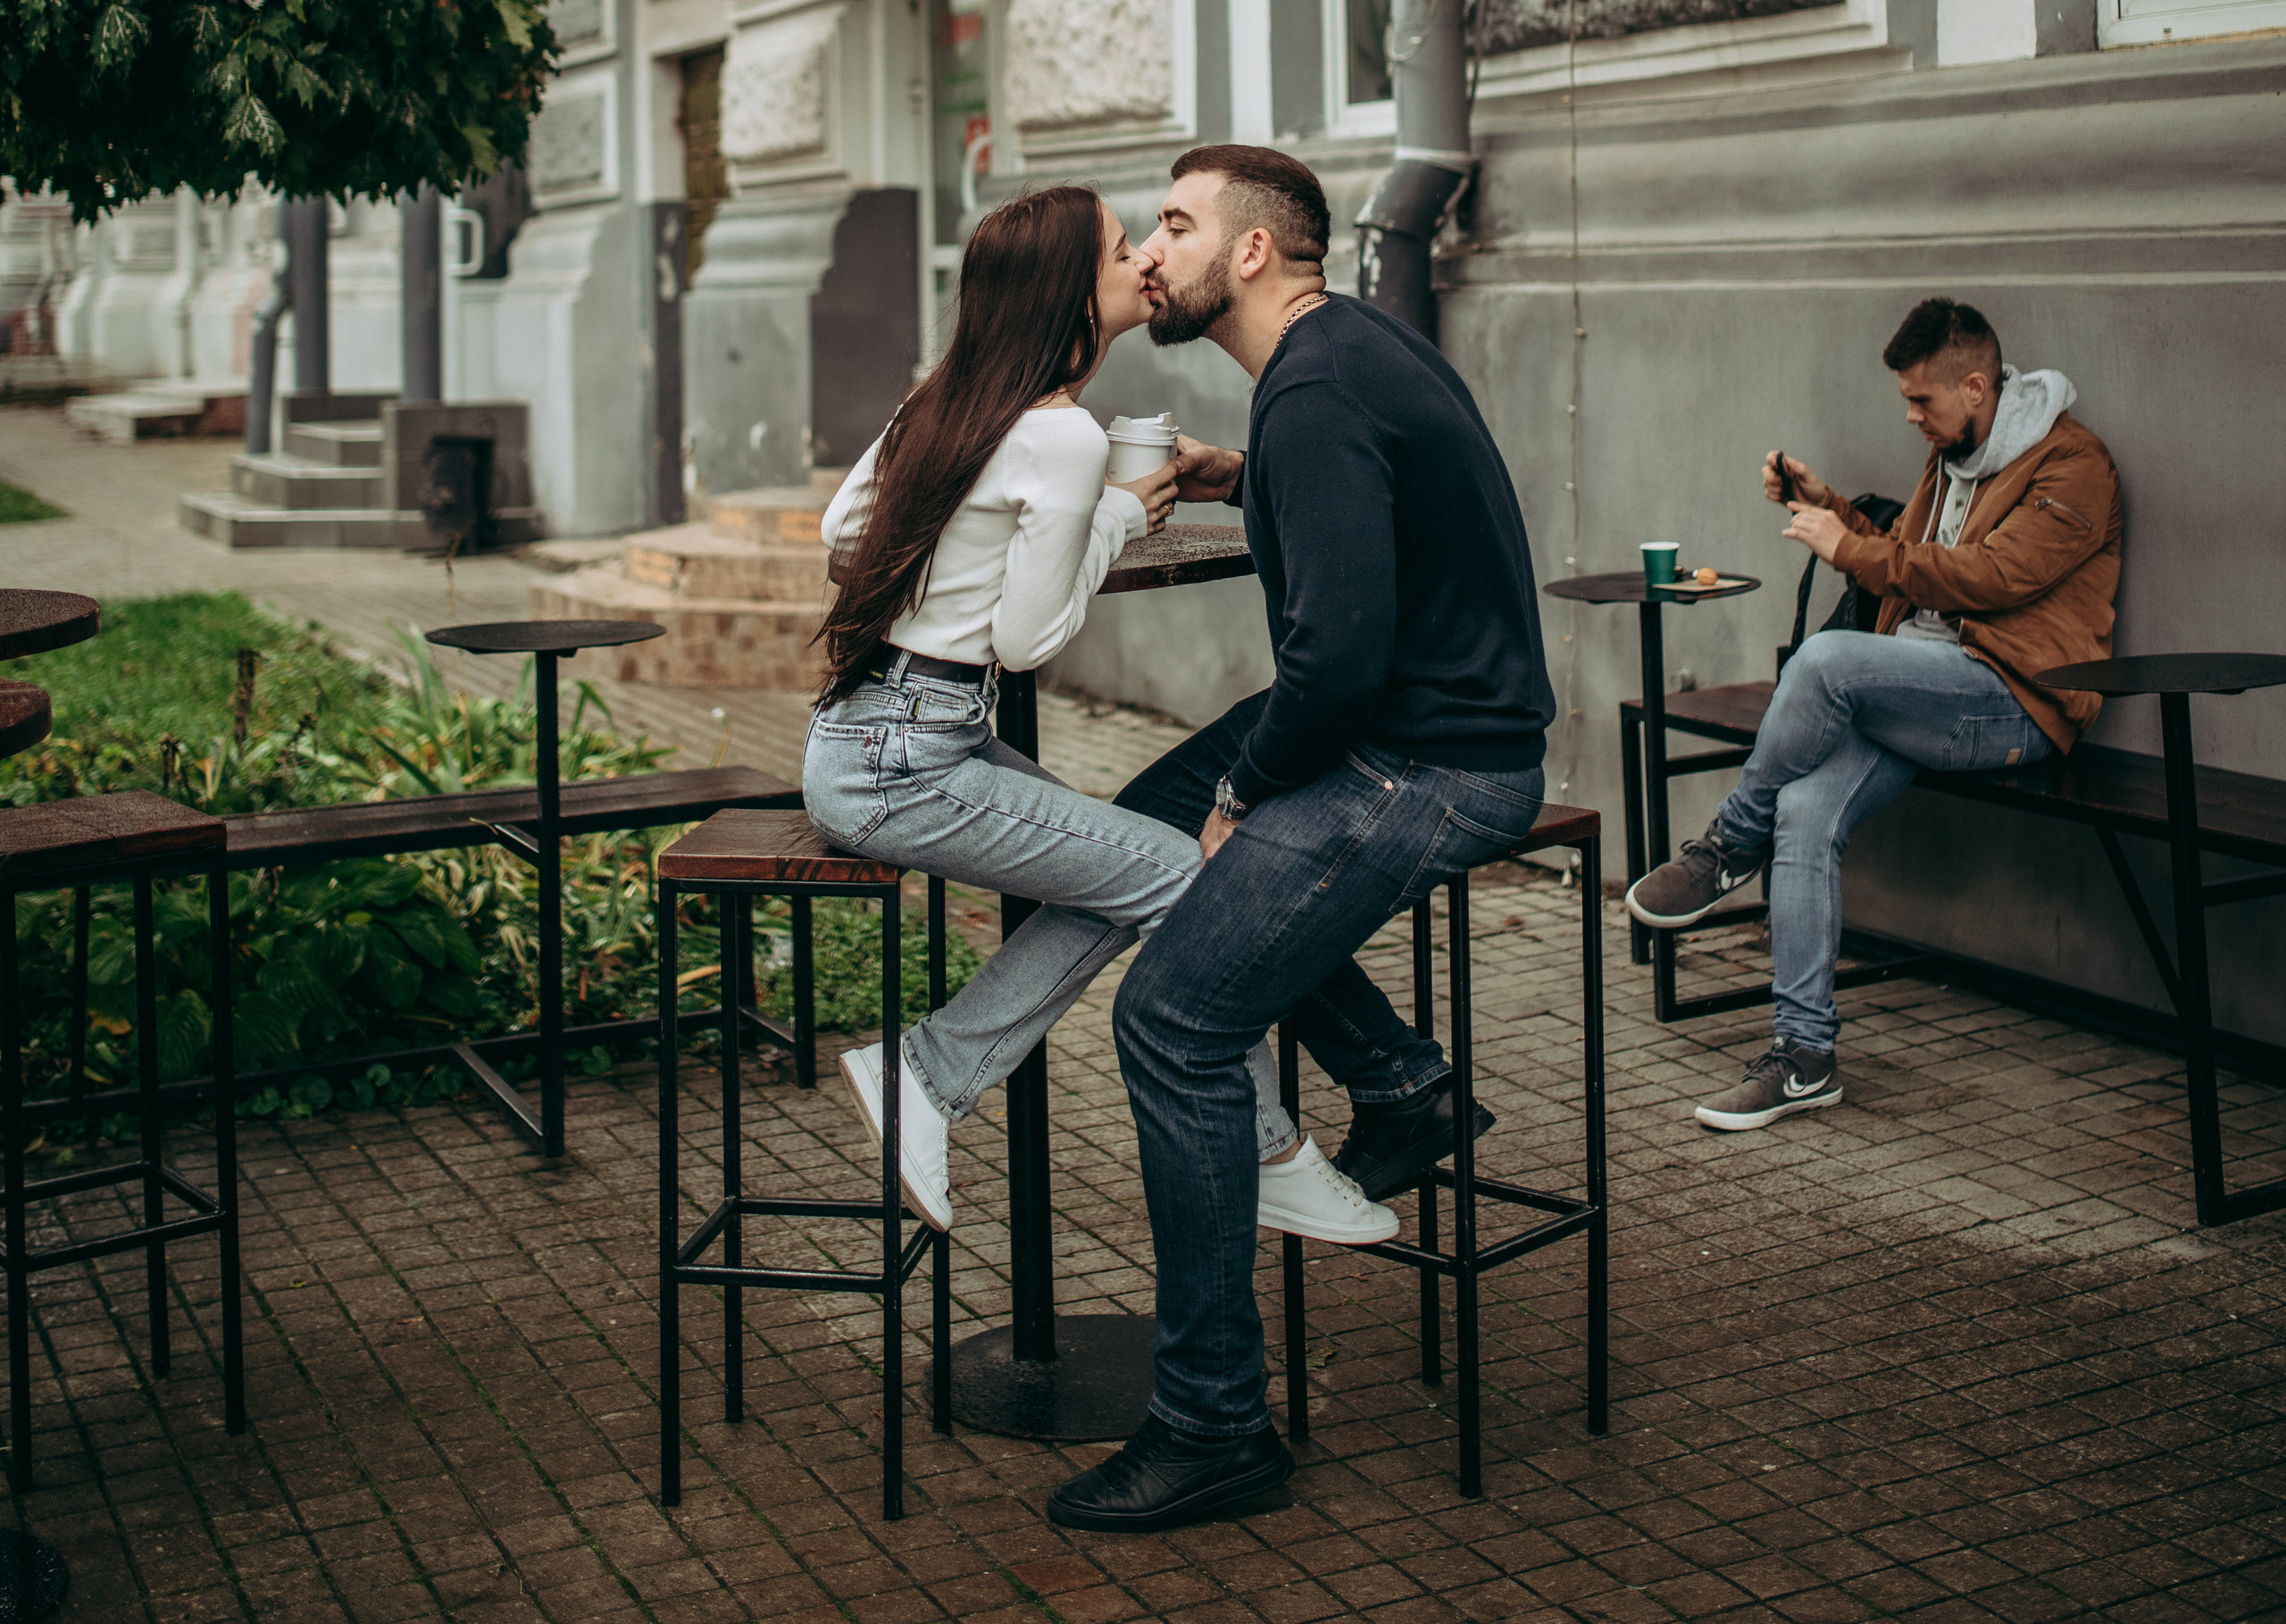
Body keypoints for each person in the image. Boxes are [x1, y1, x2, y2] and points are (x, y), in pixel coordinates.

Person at [1040, 146, 1558, 1532]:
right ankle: (1402, 1088)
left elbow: (1336, 663)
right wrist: (1231, 474)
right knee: (1139, 826)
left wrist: (1243, 797)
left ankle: (1213, 1423)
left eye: (1175, 225)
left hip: (1426, 762)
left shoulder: (1317, 391)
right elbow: (1360, 540)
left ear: (1255, 254)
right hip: (1412, 727)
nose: (1150, 253)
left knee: (1171, 1020)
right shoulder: (1334, 361)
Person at [803, 184, 1400, 1251]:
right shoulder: (1067, 440)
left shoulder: (945, 396)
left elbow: (842, 534)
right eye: (1124, 250)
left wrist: (945, 587)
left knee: (1136, 872)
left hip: (875, 731)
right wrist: (1118, 517)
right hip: (912, 761)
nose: (1144, 264)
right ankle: (1266, 1155)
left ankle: (931, 1076)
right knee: (1182, 877)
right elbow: (1030, 644)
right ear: (1073, 294)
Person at [1626, 297, 2123, 1132]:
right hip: (1919, 688)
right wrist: (1833, 508)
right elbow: (1912, 570)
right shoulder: (1958, 452)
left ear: (1975, 385)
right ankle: (1804, 1054)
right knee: (1804, 808)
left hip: (2010, 702)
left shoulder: (2074, 468)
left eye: (1922, 401)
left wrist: (1849, 547)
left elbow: (1989, 581)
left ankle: (1722, 850)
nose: (1911, 416)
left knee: (1823, 662)